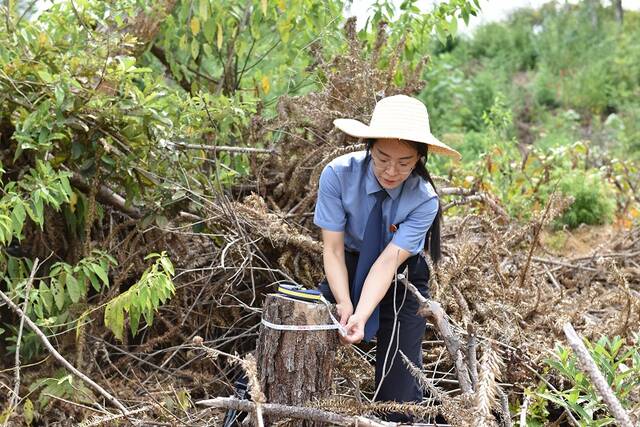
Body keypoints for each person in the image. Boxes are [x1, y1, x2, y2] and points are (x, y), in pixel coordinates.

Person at [313, 94, 461, 421]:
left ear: (420, 159)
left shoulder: (424, 200)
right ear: (369, 146)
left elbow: (387, 262)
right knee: (302, 324)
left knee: (400, 383)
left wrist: (361, 315)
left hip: (402, 273)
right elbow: (333, 249)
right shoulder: (337, 175)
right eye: (382, 158)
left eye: (405, 162)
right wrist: (344, 304)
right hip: (348, 262)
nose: (391, 171)